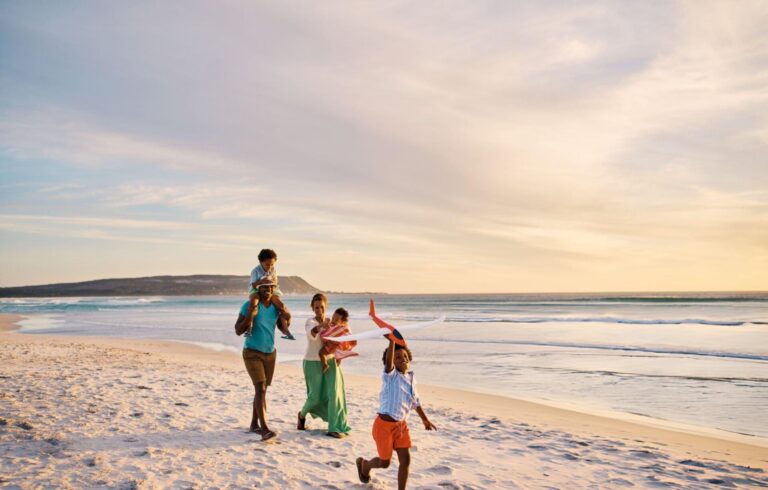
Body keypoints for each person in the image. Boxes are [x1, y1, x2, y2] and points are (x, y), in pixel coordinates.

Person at [356, 338, 437, 489]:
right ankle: (365, 465)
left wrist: (425, 420)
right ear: (391, 360)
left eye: (405, 356)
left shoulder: (411, 379)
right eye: (397, 357)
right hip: (383, 427)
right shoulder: (391, 376)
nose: (403, 359)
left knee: (405, 460)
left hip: (401, 426)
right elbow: (388, 364)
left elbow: (415, 402)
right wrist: (392, 341)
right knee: (385, 462)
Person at [235, 281, 293, 441]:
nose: (267, 290)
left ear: (274, 289)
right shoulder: (249, 305)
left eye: (270, 287)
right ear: (258, 289)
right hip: (252, 352)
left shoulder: (275, 307)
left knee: (262, 390)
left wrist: (286, 316)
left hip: (270, 353)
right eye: (264, 287)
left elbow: (282, 328)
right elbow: (238, 330)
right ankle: (264, 429)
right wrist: (249, 318)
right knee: (260, 388)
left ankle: (254, 424)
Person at [297, 294, 352, 438]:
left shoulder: (332, 322)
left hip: (331, 361)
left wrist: (340, 356)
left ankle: (334, 427)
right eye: (316, 307)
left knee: (334, 394)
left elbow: (342, 337)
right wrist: (322, 326)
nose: (319, 310)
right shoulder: (310, 321)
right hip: (312, 362)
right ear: (312, 307)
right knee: (315, 397)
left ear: (326, 307)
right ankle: (301, 415)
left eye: (322, 307)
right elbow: (312, 333)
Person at [246, 249, 292, 338]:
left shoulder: (273, 270)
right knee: (253, 306)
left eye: (272, 264)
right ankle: (249, 328)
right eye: (267, 265)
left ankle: (286, 330)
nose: (269, 267)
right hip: (256, 290)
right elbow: (253, 285)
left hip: (271, 290)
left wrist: (271, 283)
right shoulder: (255, 271)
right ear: (260, 262)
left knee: (281, 307)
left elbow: (275, 283)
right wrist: (261, 281)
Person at [318, 307, 358, 374]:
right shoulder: (335, 325)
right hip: (334, 346)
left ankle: (325, 365)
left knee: (321, 353)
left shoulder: (341, 328)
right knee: (338, 354)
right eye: (333, 317)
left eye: (336, 319)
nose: (333, 320)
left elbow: (347, 335)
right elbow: (328, 331)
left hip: (333, 346)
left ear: (342, 322)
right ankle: (338, 359)